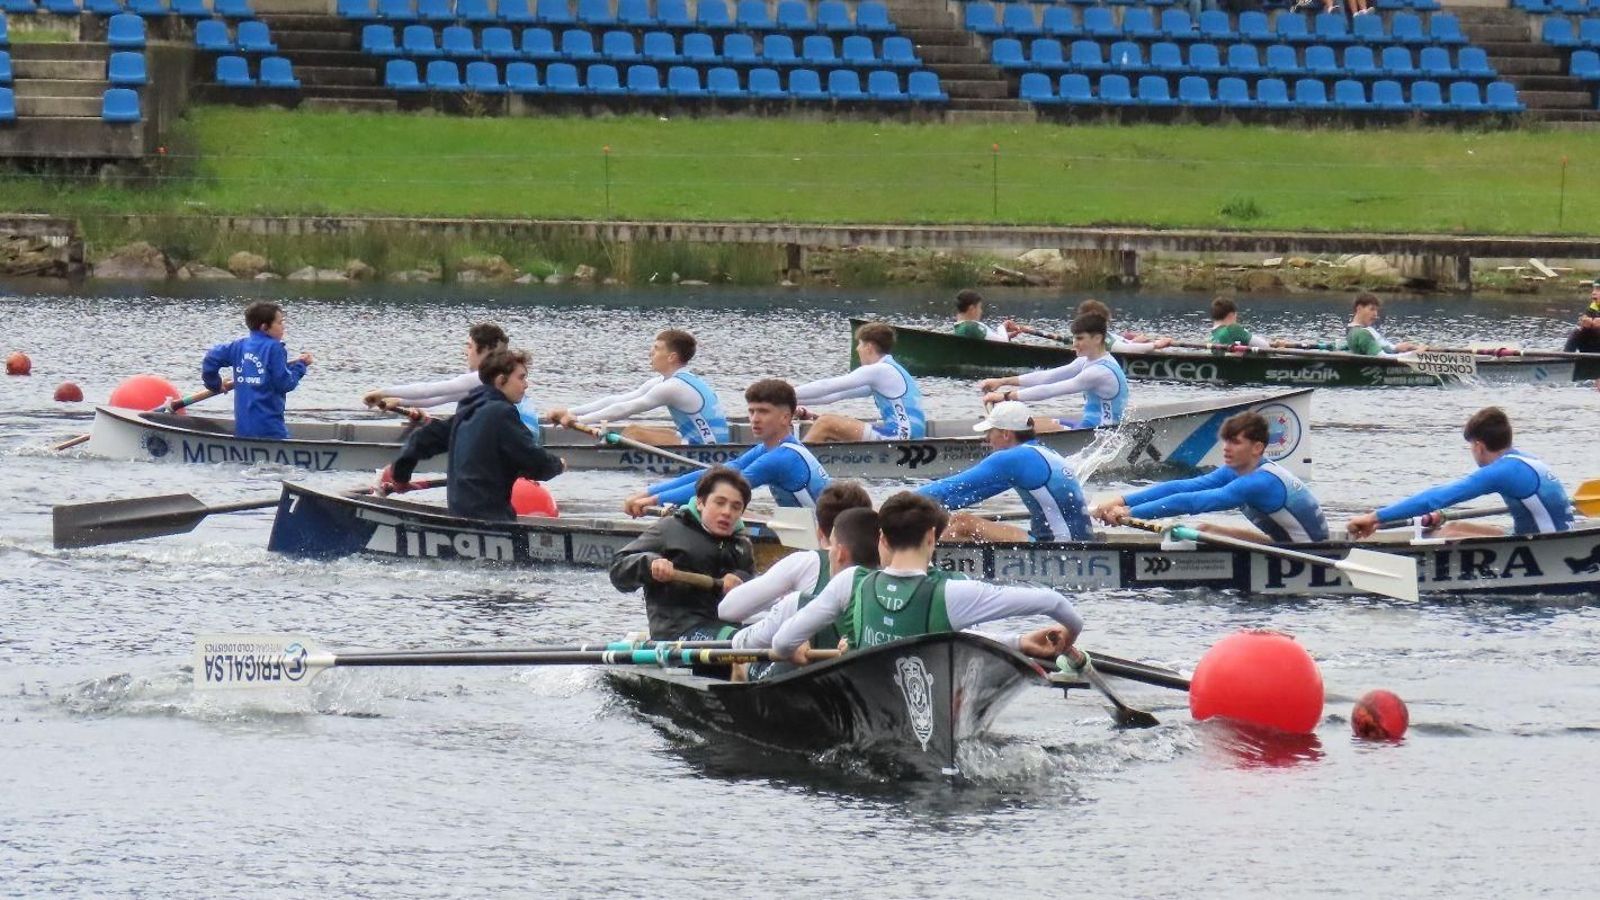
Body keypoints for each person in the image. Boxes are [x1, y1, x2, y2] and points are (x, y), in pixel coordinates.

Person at [771, 492, 1085, 666]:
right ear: (932, 538)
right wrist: (1067, 635)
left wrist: (795, 653)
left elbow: (783, 643)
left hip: (873, 695)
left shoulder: (850, 581)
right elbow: (1054, 601)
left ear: (882, 538)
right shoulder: (956, 592)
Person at [380, 348, 566, 522]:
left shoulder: (467, 409)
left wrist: (400, 475)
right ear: (501, 380)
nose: (526, 385)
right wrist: (557, 465)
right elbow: (531, 459)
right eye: (521, 378)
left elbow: (421, 440)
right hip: (491, 517)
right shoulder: (502, 413)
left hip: (459, 511)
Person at [1092, 411, 1328, 543]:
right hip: (1285, 544)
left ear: (1257, 448)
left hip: (1308, 552)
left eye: (1235, 442)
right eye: (1225, 441)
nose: (1226, 448)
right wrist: (1122, 501)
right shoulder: (1235, 470)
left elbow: (1193, 503)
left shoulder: (1260, 482)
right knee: (1206, 530)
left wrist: (1131, 514)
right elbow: (1181, 488)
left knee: (1204, 529)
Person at [1346, 407, 1572, 539]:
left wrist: (1374, 517)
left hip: (1544, 541)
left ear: (1479, 446)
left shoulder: (1502, 471)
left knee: (1448, 536)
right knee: (1453, 528)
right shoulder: (1527, 459)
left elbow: (1435, 498)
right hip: (1543, 534)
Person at [622, 379, 831, 516]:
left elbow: (724, 487)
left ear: (785, 417)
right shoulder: (769, 448)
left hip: (822, 537)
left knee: (716, 508)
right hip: (809, 528)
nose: (754, 419)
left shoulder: (781, 458)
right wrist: (648, 493)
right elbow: (716, 474)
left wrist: (655, 500)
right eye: (751, 412)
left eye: (763, 412)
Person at [730, 506, 883, 682]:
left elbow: (741, 643)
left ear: (840, 553)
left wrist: (790, 645)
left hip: (810, 688)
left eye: (831, 545)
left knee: (739, 660)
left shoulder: (799, 602)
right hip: (865, 683)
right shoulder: (893, 593)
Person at [609, 467, 757, 642]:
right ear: (700, 503)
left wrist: (741, 580)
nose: (727, 512)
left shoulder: (743, 545)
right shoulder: (669, 529)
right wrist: (651, 563)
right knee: (742, 641)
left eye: (735, 507)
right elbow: (618, 569)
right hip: (678, 633)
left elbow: (753, 588)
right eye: (719, 503)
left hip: (725, 626)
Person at [917, 400, 1093, 544]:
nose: (987, 438)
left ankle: (923, 566)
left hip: (1059, 546)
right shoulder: (1042, 453)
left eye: (990, 432)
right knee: (955, 520)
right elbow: (965, 495)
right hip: (1075, 540)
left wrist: (898, 506)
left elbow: (948, 489)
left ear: (1006, 434)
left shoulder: (1014, 458)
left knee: (963, 523)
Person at [715, 480, 873, 626]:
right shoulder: (888, 562)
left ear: (818, 533)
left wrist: (783, 600)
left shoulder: (804, 562)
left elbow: (726, 610)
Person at [547, 329, 729, 446]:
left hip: (707, 447)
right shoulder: (664, 381)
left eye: (657, 349)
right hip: (697, 440)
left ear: (672, 357)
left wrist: (579, 421)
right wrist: (570, 412)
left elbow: (625, 409)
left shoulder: (674, 386)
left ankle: (608, 460)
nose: (650, 353)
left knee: (634, 432)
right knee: (632, 430)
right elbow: (619, 400)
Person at [978, 312, 1128, 432]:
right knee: (1025, 422)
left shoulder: (1099, 372)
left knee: (1020, 429)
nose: (1075, 344)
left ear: (1097, 339)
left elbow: (1050, 390)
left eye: (1080, 339)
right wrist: (1002, 381)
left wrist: (1004, 397)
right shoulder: (1088, 360)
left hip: (1101, 433)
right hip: (1088, 426)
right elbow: (1048, 377)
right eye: (1074, 338)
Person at [795, 322, 927, 443]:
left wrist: (782, 393)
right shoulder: (885, 372)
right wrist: (791, 401)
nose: (857, 349)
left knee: (826, 422)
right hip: (906, 435)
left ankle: (796, 463)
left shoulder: (881, 370)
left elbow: (827, 386)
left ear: (868, 347)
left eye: (859, 344)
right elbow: (834, 395)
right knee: (830, 419)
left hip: (903, 436)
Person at [201, 301, 312, 440]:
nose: (283, 326)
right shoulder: (275, 348)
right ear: (265, 327)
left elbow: (210, 359)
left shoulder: (237, 346)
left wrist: (214, 384)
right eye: (279, 322)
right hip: (270, 431)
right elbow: (284, 384)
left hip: (243, 430)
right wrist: (301, 366)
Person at [362, 322, 507, 409]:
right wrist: (400, 401)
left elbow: (428, 390)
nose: (465, 352)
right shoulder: (488, 380)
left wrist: (383, 392)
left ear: (487, 351)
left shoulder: (481, 378)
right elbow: (438, 398)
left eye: (469, 347)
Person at [1346, 294, 1421, 357]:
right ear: (1359, 309)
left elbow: (1382, 345)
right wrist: (1414, 354)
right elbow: (1382, 357)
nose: (1375, 314)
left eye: (1376, 310)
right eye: (1372, 309)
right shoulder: (1362, 333)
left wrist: (1397, 348)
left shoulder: (1357, 329)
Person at [1208, 297, 1272, 349]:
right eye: (1236, 315)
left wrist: (1275, 344)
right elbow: (1265, 346)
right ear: (1231, 314)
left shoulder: (1213, 334)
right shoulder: (1232, 329)